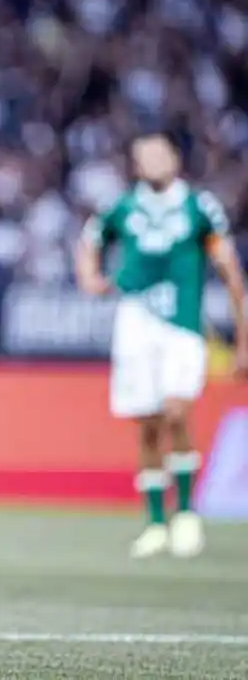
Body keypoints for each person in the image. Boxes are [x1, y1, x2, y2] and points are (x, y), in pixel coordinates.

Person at [74, 132, 248, 559]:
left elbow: (229, 271)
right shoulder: (123, 207)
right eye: (143, 156)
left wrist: (243, 339)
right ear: (136, 166)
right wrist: (90, 278)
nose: (152, 161)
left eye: (159, 153)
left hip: (182, 326)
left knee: (176, 409)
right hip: (136, 322)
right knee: (148, 422)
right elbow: (89, 241)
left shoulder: (199, 208)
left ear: (174, 158)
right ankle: (155, 522)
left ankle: (186, 513)